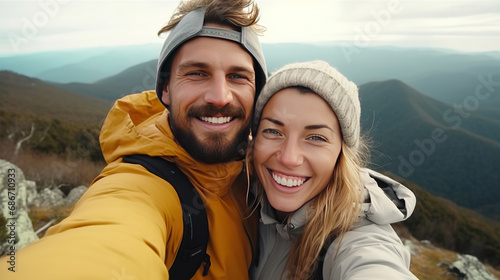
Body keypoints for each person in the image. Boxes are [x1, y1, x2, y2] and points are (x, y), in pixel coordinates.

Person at [0, 0, 267, 279]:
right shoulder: (140, 185)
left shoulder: (267, 172)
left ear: (257, 94)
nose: (219, 96)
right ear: (165, 90)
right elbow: (105, 239)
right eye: (197, 73)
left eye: (238, 76)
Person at [247, 60, 418, 279]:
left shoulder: (357, 237)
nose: (289, 158)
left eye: (316, 138)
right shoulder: (238, 195)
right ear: (254, 138)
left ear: (341, 154)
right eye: (273, 131)